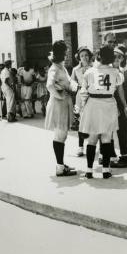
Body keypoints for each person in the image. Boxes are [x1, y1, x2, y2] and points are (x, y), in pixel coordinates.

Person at [79, 46, 123, 179]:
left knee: (92, 140)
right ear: (111, 58)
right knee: (106, 139)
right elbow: (120, 81)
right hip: (108, 104)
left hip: (93, 104)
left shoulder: (89, 72)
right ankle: (105, 170)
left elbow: (83, 92)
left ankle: (89, 170)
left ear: (98, 56)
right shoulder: (115, 72)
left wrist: (82, 107)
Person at [45, 41, 78, 177]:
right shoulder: (54, 68)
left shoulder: (61, 67)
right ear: (59, 53)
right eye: (64, 52)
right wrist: (59, 95)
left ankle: (61, 164)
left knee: (62, 135)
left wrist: (75, 86)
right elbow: (49, 85)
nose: (66, 54)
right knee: (60, 135)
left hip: (63, 104)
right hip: (58, 105)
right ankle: (59, 167)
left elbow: (69, 81)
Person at [71, 46, 93, 156]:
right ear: (78, 57)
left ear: (89, 56)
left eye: (86, 55)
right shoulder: (75, 69)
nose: (84, 57)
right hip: (80, 96)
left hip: (92, 96)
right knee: (80, 122)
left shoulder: (94, 67)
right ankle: (80, 147)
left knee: (93, 121)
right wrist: (78, 86)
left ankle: (92, 145)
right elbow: (72, 84)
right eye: (82, 56)